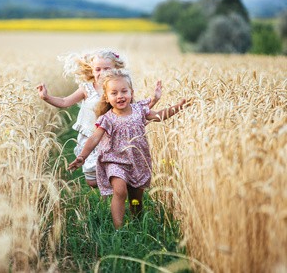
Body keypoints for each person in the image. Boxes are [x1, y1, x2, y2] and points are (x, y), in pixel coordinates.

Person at [68, 69, 189, 229]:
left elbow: (160, 115)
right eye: (114, 93)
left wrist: (178, 107)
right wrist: (82, 156)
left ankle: (137, 224)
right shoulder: (107, 118)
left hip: (137, 160)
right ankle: (119, 229)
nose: (120, 96)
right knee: (120, 191)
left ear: (131, 93)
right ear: (106, 97)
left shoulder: (139, 110)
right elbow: (94, 138)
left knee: (136, 198)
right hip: (115, 161)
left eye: (124, 91)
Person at [37, 49, 162, 187]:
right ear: (92, 70)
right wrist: (46, 97)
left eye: (107, 69)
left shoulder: (119, 89)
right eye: (97, 69)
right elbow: (65, 102)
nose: (101, 73)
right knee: (92, 181)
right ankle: (110, 185)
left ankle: (116, 189)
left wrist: (154, 99)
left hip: (113, 137)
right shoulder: (87, 88)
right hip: (90, 136)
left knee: (114, 172)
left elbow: (136, 110)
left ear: (116, 69)